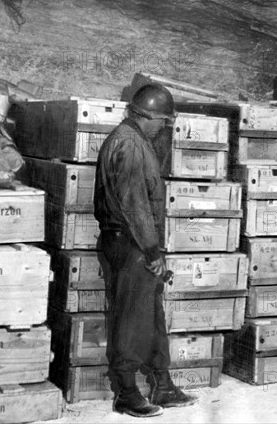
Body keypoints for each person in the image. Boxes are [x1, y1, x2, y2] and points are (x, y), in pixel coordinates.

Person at [94, 83, 197, 417]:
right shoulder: (131, 145)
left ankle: (162, 385)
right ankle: (126, 392)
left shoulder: (131, 140)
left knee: (151, 314)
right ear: (147, 116)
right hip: (130, 244)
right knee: (131, 317)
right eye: (162, 121)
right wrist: (153, 253)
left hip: (134, 243)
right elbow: (136, 207)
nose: (163, 127)